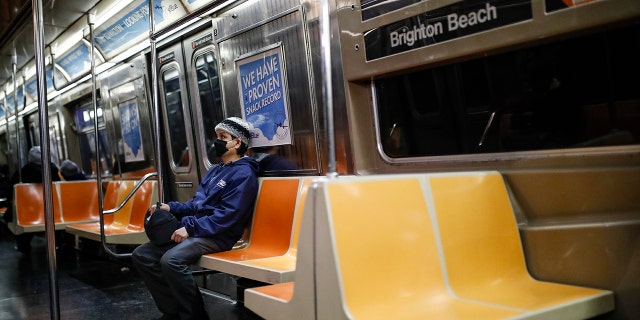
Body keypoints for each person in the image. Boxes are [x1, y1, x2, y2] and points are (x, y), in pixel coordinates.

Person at [132, 117, 260, 320]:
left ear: (237, 142)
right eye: (217, 136)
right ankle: (172, 311)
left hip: (220, 234)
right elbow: (196, 204)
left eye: (223, 137)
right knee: (143, 255)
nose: (217, 141)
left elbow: (227, 216)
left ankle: (194, 315)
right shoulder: (216, 171)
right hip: (200, 229)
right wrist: (170, 207)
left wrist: (190, 228)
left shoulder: (244, 175)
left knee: (171, 260)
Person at [7, 146, 60, 254]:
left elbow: (10, 191)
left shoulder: (22, 172)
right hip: (53, 208)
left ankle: (23, 246)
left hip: (30, 209)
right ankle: (59, 243)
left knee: (13, 216)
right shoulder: (53, 170)